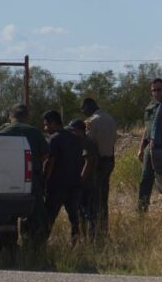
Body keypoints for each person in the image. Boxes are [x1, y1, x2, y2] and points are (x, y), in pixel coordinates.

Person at [0, 104, 49, 247]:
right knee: (34, 213)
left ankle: (9, 244)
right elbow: (45, 154)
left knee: (8, 213)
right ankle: (32, 245)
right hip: (32, 178)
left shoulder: (2, 132)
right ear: (27, 116)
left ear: (10, 116)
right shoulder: (35, 132)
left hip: (7, 179)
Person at [42, 110, 84, 244]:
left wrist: (44, 181)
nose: (45, 128)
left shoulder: (54, 139)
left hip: (56, 186)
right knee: (74, 219)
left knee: (48, 218)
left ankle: (41, 245)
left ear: (53, 123)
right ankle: (75, 245)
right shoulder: (76, 138)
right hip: (74, 185)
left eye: (47, 125)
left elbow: (50, 162)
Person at [80, 98, 117, 235]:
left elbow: (88, 143)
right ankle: (104, 229)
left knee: (93, 198)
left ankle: (94, 232)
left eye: (83, 109)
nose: (83, 113)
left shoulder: (92, 121)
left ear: (89, 107)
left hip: (97, 163)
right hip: (109, 160)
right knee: (103, 197)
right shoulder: (110, 119)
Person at [65, 118, 99, 238]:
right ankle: (84, 239)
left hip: (86, 185)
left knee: (88, 215)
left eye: (73, 130)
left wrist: (80, 181)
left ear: (80, 131)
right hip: (83, 185)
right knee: (81, 214)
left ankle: (90, 240)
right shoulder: (80, 142)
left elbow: (88, 163)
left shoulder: (86, 143)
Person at [136, 78, 162, 212]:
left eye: (159, 89)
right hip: (150, 147)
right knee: (146, 179)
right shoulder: (150, 108)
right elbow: (146, 129)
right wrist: (141, 148)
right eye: (154, 90)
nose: (156, 93)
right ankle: (142, 210)